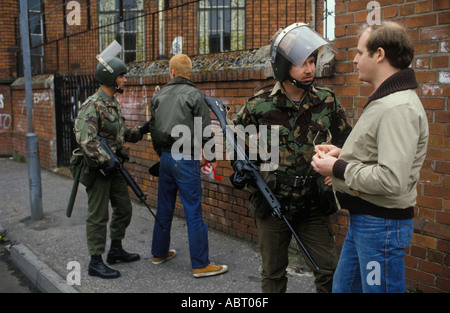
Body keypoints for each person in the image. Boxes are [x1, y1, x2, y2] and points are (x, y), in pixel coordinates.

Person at [233, 23, 352, 293]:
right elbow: (235, 144)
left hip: (313, 204)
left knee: (329, 271)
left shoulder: (327, 101)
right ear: (283, 66)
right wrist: (243, 164)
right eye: (302, 62)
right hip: (272, 203)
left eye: (312, 61)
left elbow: (348, 141)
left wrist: (339, 166)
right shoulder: (258, 104)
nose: (310, 69)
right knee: (273, 275)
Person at [311, 21, 429, 293]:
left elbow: (391, 179)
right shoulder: (387, 100)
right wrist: (344, 154)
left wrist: (337, 167)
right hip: (367, 221)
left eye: (360, 52)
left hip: (381, 227)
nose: (354, 60)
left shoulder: (397, 106)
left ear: (379, 54)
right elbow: (381, 154)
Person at [149, 54, 228, 278]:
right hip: (186, 158)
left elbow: (153, 130)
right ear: (188, 73)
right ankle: (201, 264)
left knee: (164, 208)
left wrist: (162, 154)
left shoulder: (159, 96)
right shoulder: (195, 95)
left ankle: (159, 253)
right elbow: (205, 130)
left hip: (165, 158)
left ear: (172, 72)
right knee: (193, 212)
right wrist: (210, 157)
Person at [74, 56, 151, 279]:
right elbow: (85, 139)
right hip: (98, 170)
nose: (125, 80)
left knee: (124, 209)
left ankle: (115, 250)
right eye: (122, 76)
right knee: (98, 216)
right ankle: (95, 261)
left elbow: (121, 134)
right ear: (111, 78)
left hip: (115, 167)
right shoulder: (92, 105)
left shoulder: (112, 104)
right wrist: (104, 161)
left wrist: (142, 130)